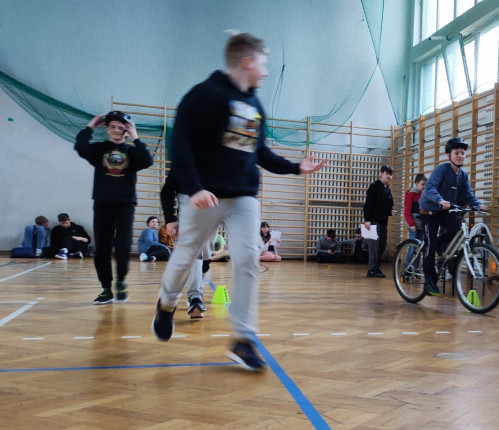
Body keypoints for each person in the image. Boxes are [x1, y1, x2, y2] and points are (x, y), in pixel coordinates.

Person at [151, 32, 326, 371]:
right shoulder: (204, 95)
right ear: (247, 61)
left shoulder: (254, 104)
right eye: (264, 63)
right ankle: (166, 303)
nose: (267, 71)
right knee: (186, 256)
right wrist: (194, 188)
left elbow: (259, 152)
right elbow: (180, 145)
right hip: (205, 196)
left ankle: (244, 340)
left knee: (247, 260)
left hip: (244, 196)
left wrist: (295, 167)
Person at [75, 110, 154, 304]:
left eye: (121, 128)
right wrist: (90, 126)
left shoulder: (132, 152)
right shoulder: (100, 149)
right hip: (102, 203)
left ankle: (121, 281)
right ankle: (106, 289)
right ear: (107, 129)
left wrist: (135, 136)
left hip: (125, 204)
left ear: (126, 131)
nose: (117, 130)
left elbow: (148, 160)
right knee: (102, 247)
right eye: (112, 127)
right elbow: (81, 147)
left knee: (123, 245)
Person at [418, 137, 485, 295]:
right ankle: (428, 280)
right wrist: (440, 200)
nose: (460, 156)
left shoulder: (463, 175)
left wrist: (478, 205)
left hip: (445, 212)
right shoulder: (442, 169)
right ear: (449, 155)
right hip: (429, 212)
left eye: (463, 153)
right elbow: (430, 187)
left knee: (459, 230)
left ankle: (439, 244)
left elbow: (468, 195)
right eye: (457, 153)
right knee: (430, 244)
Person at [161, 169, 212, 319]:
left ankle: (198, 285)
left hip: (214, 205)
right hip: (188, 203)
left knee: (206, 258)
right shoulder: (183, 160)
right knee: (196, 251)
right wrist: (170, 219)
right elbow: (167, 190)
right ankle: (195, 297)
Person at [362, 165, 396, 277]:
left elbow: (388, 206)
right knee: (374, 247)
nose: (389, 176)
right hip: (373, 222)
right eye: (387, 173)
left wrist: (391, 211)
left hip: (383, 222)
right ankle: (371, 269)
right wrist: (367, 220)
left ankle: (376, 268)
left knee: (382, 246)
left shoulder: (388, 190)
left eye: (390, 174)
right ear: (381, 174)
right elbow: (368, 205)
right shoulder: (374, 187)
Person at [404, 173, 426, 264]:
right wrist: (411, 224)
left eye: (425, 184)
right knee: (412, 247)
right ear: (416, 183)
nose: (424, 186)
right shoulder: (411, 194)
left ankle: (415, 268)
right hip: (413, 225)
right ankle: (407, 268)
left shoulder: (423, 195)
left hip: (421, 225)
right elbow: (407, 212)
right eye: (422, 184)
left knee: (419, 248)